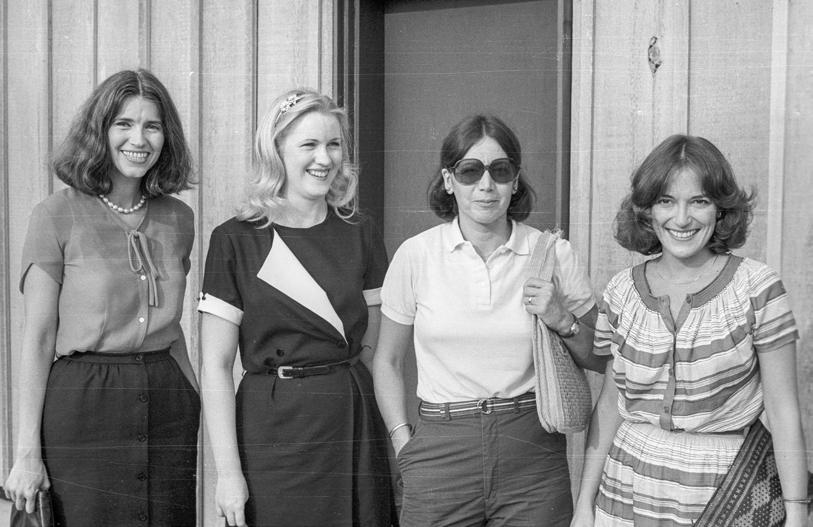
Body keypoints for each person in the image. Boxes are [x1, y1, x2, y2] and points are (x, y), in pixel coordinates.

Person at [373, 114, 604, 527]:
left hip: (531, 452)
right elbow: (387, 360)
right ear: (449, 180)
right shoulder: (417, 255)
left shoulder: (552, 253)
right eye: (470, 171)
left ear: (515, 181)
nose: (486, 185)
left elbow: (601, 357)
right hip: (441, 448)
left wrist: (560, 317)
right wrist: (402, 441)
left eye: (500, 171)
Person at [571, 134, 809, 527]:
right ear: (647, 210)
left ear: (721, 209)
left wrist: (796, 512)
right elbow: (611, 402)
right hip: (629, 485)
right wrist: (584, 504)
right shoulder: (621, 291)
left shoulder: (756, 287)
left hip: (725, 492)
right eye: (666, 201)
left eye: (699, 201)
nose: (681, 219)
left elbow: (783, 410)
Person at [3, 69, 200, 526]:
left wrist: (192, 395)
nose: (139, 139)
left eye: (152, 126)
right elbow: (38, 338)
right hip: (84, 402)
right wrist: (26, 452)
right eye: (124, 124)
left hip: (167, 401)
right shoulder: (55, 215)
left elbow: (172, 326)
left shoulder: (179, 218)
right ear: (99, 131)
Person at [198, 88, 396, 527]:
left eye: (334, 144)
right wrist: (227, 473)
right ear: (277, 151)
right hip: (273, 431)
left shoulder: (361, 231)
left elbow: (372, 351)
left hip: (351, 424)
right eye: (309, 144)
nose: (324, 158)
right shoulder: (235, 239)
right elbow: (215, 365)